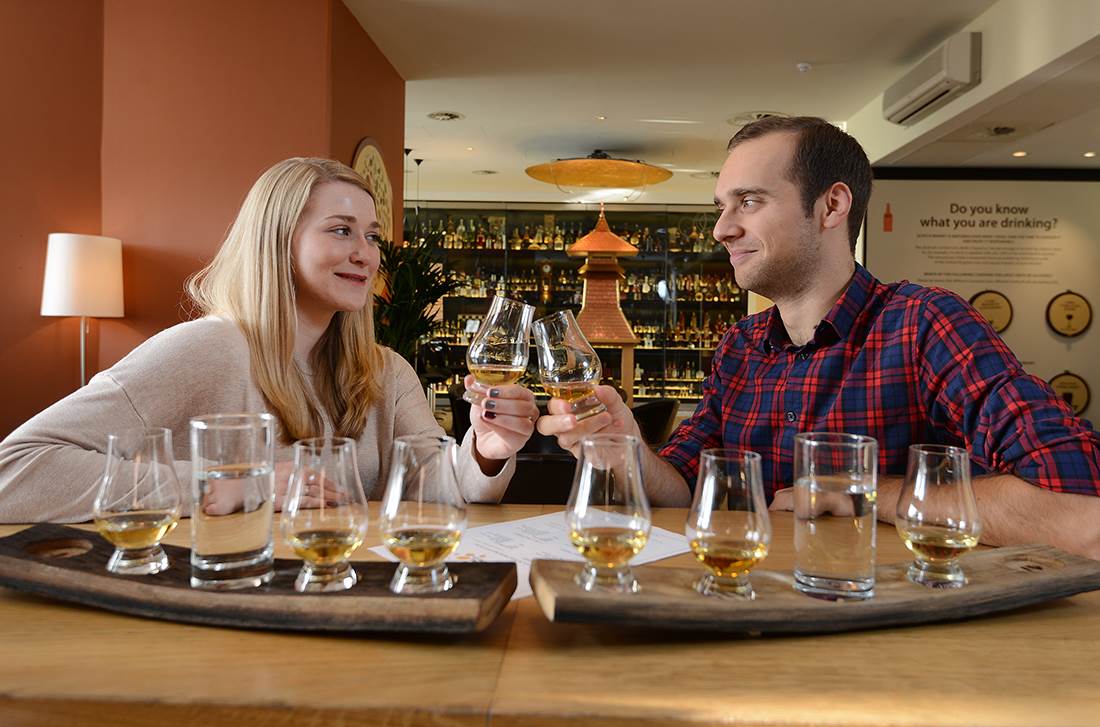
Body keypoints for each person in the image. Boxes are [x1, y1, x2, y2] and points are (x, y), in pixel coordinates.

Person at [538, 116, 1100, 559]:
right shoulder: (742, 345)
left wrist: (864, 493)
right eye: (721, 206)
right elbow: (685, 488)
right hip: (750, 622)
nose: (721, 228)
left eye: (749, 202)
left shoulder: (926, 324)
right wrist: (625, 448)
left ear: (831, 206)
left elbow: (1084, 514)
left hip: (893, 650)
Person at [0, 158, 538, 522]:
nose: (366, 253)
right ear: (277, 241)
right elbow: (17, 470)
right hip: (218, 620)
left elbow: (431, 487)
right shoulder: (206, 349)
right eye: (341, 229)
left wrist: (486, 453)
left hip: (345, 607)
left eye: (372, 236)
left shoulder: (385, 369)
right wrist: (237, 486)